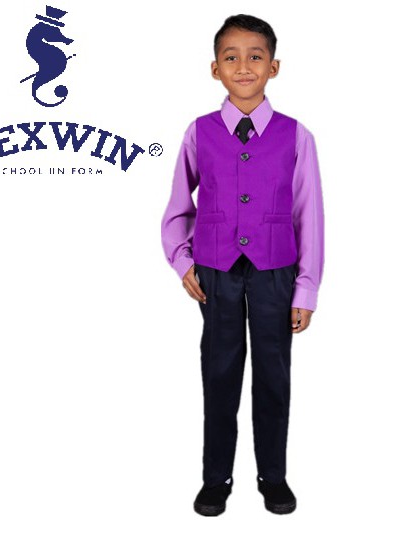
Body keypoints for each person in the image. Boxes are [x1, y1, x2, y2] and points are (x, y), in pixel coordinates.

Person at [160, 14, 325, 516]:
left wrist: (306, 288)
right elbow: (178, 206)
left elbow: (309, 214)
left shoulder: (297, 136)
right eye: (231, 57)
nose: (244, 66)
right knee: (220, 374)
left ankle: (273, 477)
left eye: (255, 56)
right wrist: (182, 261)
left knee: (274, 376)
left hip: (276, 270)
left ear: (274, 67)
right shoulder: (199, 132)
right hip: (215, 269)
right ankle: (216, 479)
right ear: (215, 69)